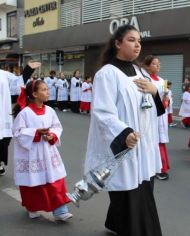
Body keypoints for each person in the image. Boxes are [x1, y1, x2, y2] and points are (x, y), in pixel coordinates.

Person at [84, 24, 164, 235]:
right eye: (131, 40)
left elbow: (151, 105)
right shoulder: (106, 74)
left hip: (144, 143)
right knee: (128, 191)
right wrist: (124, 133)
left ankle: (116, 223)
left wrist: (155, 91)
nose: (137, 45)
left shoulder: (140, 71)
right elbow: (102, 112)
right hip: (126, 142)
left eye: (139, 41)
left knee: (143, 187)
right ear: (117, 43)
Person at [12, 79, 72, 221]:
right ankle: (32, 207)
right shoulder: (25, 113)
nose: (47, 92)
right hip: (32, 154)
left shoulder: (50, 110)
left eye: (47, 89)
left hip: (48, 151)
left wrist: (52, 135)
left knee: (55, 179)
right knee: (33, 182)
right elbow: (18, 132)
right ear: (34, 94)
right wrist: (36, 133)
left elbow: (57, 126)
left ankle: (60, 210)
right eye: (44, 90)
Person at [0, 62, 40, 176]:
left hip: (2, 113)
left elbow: (17, 82)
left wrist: (28, 69)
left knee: (4, 139)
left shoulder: (3, 74)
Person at [142, 55, 171, 181]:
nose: (158, 66)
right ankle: (158, 167)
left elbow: (165, 98)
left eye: (159, 64)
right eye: (154, 64)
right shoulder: (145, 79)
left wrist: (166, 100)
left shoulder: (161, 80)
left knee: (160, 140)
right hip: (150, 114)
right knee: (152, 140)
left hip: (161, 114)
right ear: (147, 65)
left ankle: (161, 167)